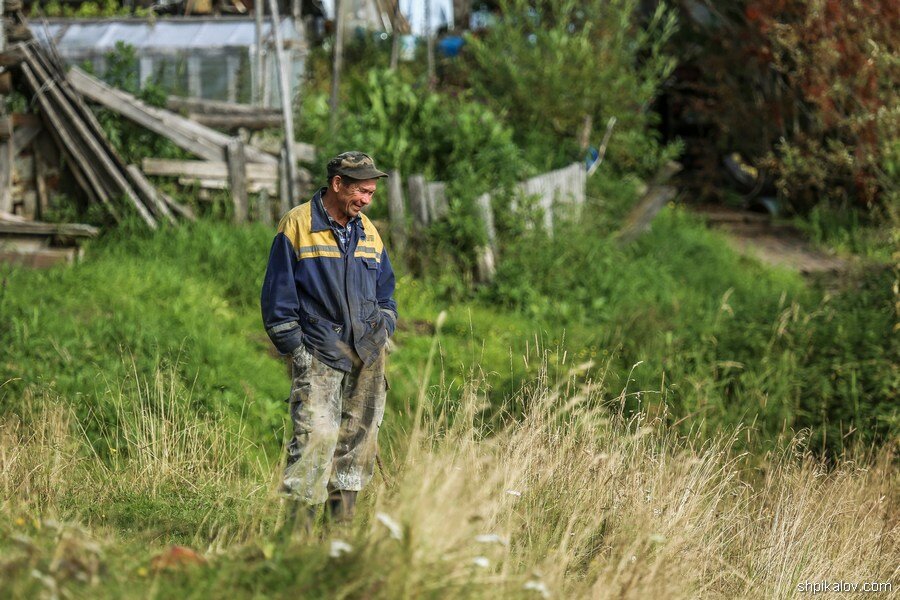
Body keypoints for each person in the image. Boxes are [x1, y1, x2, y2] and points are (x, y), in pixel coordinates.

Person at [260, 151, 397, 527]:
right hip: (319, 354)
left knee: (358, 446)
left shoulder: (368, 230)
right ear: (338, 184)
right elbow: (277, 302)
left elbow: (386, 291)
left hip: (367, 357)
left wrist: (384, 325)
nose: (367, 200)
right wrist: (299, 354)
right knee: (314, 442)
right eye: (361, 192)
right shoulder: (297, 224)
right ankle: (298, 542)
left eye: (371, 193)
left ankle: (338, 539)